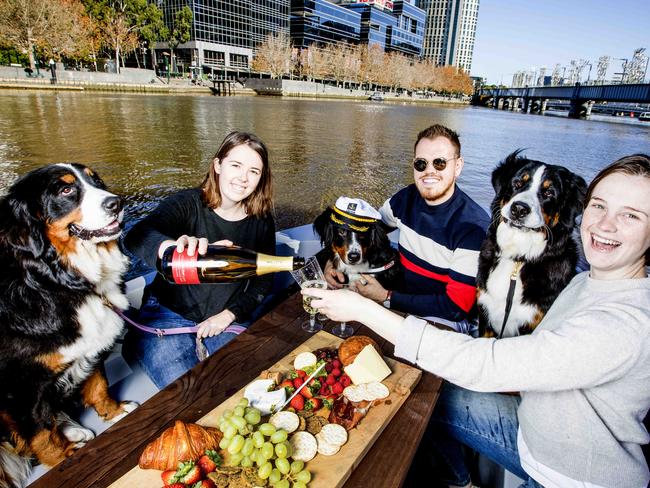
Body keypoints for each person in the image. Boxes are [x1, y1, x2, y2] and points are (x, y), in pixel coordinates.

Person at [305, 154, 650, 488]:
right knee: (420, 388)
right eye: (600, 206)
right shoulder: (585, 282)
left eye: (631, 216)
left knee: (415, 385)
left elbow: (489, 364)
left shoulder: (626, 323)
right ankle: (459, 480)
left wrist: (365, 309)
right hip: (532, 427)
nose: (605, 224)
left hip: (566, 476)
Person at [124, 131, 276, 388]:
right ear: (218, 165)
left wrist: (229, 315)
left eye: (254, 171)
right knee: (187, 391)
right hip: (167, 313)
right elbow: (136, 236)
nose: (243, 178)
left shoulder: (261, 221)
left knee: (244, 386)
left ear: (261, 178)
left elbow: (264, 281)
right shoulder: (187, 203)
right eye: (236, 165)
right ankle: (140, 341)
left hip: (226, 318)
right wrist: (171, 247)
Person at [325, 124, 489, 335]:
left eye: (439, 163)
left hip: (441, 320)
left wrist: (385, 297)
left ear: (457, 166)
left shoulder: (473, 228)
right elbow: (363, 231)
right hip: (398, 299)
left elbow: (455, 308)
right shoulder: (404, 199)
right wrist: (333, 261)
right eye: (421, 163)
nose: (429, 170)